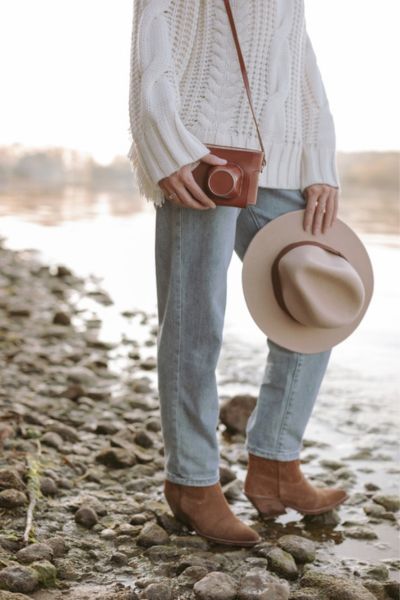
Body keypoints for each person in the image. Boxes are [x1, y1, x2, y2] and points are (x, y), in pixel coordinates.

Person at [128, 0, 348, 547]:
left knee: (319, 302)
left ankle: (275, 461)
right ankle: (192, 482)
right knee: (194, 320)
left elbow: (297, 53)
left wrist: (318, 160)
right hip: (201, 152)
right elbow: (153, 32)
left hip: (281, 157)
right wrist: (166, 142)